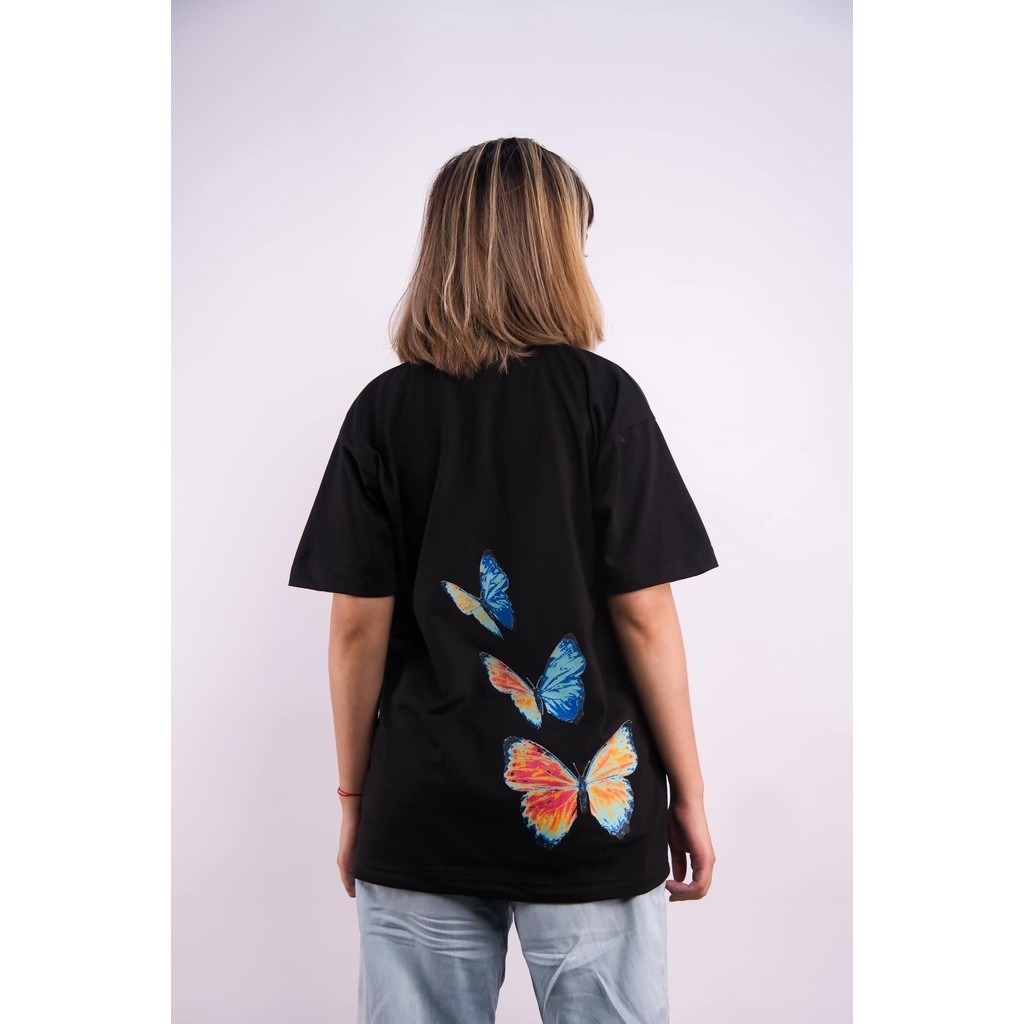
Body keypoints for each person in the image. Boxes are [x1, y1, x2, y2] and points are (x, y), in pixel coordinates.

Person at [288, 137, 718, 1024]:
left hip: (422, 808)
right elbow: (645, 618)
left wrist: (356, 802)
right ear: (557, 253)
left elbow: (356, 631)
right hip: (593, 813)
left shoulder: (384, 410)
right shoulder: (603, 399)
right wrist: (690, 795)